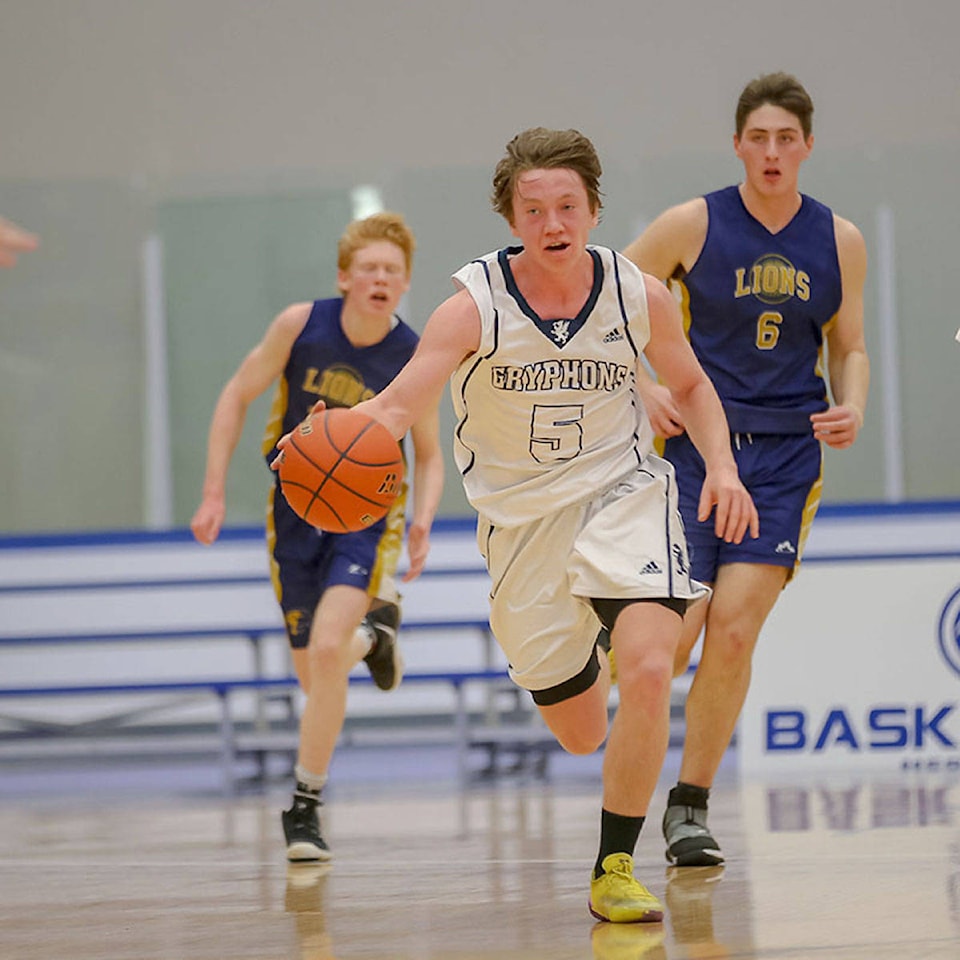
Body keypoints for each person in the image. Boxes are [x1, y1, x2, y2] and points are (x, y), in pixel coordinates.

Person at [278, 128, 757, 923]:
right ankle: (602, 639)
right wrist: (337, 430)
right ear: (512, 219)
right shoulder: (474, 305)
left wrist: (726, 467)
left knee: (647, 665)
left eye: (567, 205)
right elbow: (399, 403)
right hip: (524, 530)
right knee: (578, 733)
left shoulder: (635, 291)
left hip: (623, 496)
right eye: (533, 209)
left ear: (594, 209)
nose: (552, 222)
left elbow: (694, 386)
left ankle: (613, 867)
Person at [623, 72, 870, 868]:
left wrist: (854, 402)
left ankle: (688, 808)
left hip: (786, 456)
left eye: (786, 139)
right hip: (695, 451)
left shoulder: (840, 241)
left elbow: (850, 344)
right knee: (678, 634)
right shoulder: (692, 224)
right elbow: (607, 302)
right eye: (758, 138)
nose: (771, 152)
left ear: (806, 147)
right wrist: (646, 385)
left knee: (732, 630)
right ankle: (619, 807)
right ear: (738, 144)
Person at [191, 211, 444, 861]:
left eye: (393, 271)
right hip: (295, 511)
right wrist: (214, 490)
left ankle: (304, 808)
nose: (381, 279)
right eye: (369, 269)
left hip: (365, 516)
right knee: (317, 675)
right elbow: (235, 395)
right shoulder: (299, 326)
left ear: (405, 282)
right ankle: (375, 636)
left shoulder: (414, 351)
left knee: (327, 651)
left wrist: (421, 521)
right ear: (345, 277)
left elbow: (429, 453)